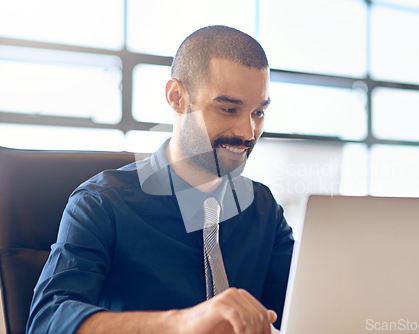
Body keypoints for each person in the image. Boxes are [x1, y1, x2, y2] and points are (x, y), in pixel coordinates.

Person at [27, 25, 294, 334]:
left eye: (258, 113)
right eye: (229, 108)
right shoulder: (102, 203)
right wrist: (182, 322)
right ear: (177, 97)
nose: (247, 133)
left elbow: (302, 308)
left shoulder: (263, 209)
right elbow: (47, 320)